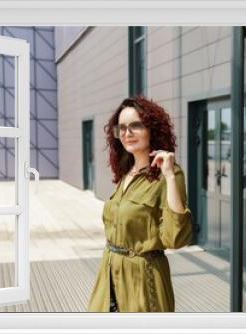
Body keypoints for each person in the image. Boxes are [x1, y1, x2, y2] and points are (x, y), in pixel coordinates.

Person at [87, 95, 193, 312]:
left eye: (136, 125)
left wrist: (170, 177)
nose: (127, 133)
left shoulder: (170, 174)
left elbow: (175, 238)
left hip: (143, 280)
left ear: (152, 129)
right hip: (109, 273)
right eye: (122, 128)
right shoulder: (125, 173)